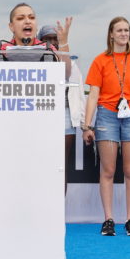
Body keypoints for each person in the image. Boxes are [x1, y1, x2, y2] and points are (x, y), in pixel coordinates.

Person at [82, 16, 130, 237]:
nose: (123, 34)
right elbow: (93, 94)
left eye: (127, 30)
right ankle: (108, 220)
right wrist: (87, 125)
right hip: (106, 115)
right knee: (108, 170)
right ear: (111, 34)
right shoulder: (100, 60)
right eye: (119, 30)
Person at [37, 24, 85, 193]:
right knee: (40, 164)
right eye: (47, 39)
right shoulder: (34, 62)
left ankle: (58, 214)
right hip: (40, 116)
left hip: (65, 116)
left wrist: (85, 124)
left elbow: (79, 93)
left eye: (54, 38)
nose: (51, 42)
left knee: (61, 166)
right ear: (40, 41)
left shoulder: (71, 63)